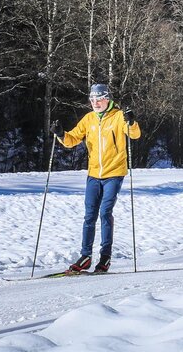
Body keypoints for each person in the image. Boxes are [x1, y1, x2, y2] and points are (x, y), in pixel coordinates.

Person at [55, 83, 140, 274]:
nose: (95, 103)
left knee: (105, 212)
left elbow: (134, 135)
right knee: (89, 216)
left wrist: (131, 122)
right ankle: (85, 257)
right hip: (94, 174)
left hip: (114, 173)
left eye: (99, 99)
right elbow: (72, 139)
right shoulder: (89, 119)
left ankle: (105, 257)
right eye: (92, 99)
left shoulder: (118, 116)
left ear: (107, 99)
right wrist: (61, 134)